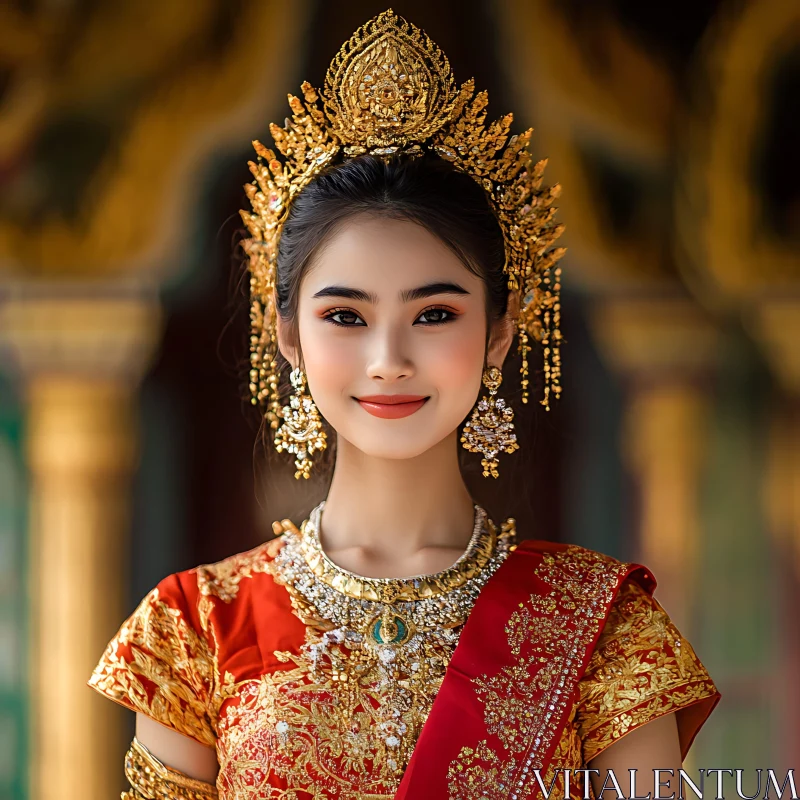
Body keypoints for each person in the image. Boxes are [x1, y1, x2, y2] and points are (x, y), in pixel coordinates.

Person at [89, 11, 719, 800]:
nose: (388, 362)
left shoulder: (606, 630)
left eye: (434, 314)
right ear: (287, 335)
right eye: (345, 317)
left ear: (499, 333)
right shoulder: (195, 629)